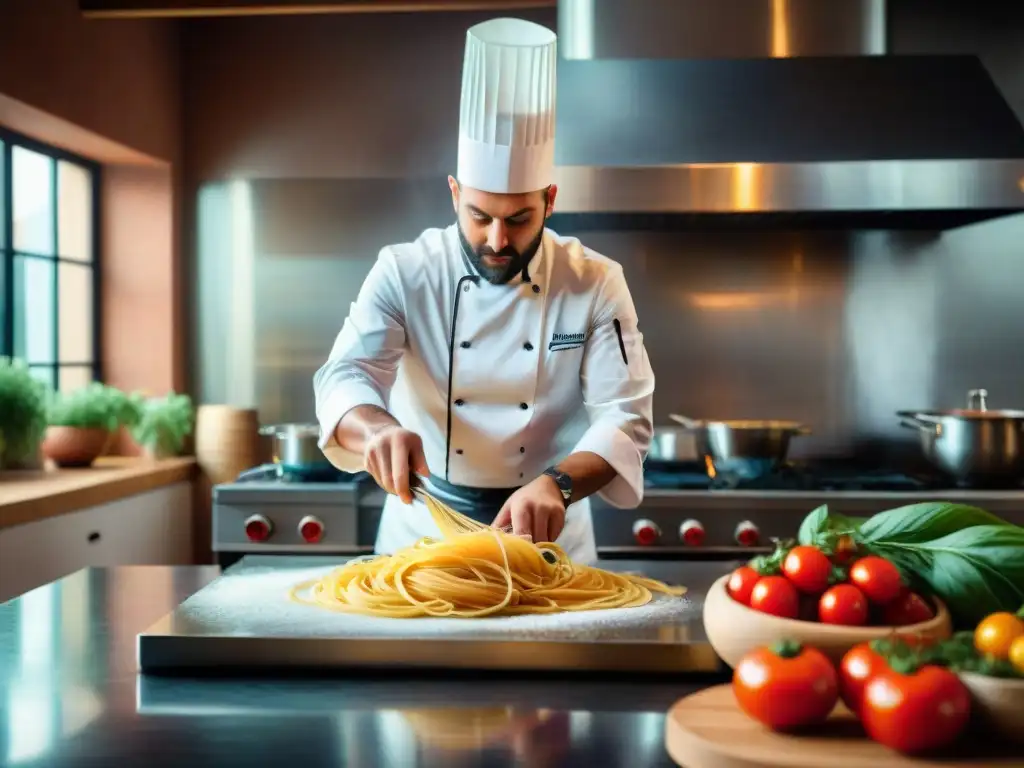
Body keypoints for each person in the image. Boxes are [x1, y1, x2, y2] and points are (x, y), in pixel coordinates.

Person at [313, 17, 654, 564]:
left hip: (548, 539)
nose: (497, 239)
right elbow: (345, 376)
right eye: (479, 215)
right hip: (423, 537)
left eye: (519, 218)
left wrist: (558, 486)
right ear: (453, 194)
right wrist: (376, 429)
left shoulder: (593, 280)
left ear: (550, 199)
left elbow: (625, 416)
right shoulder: (405, 271)